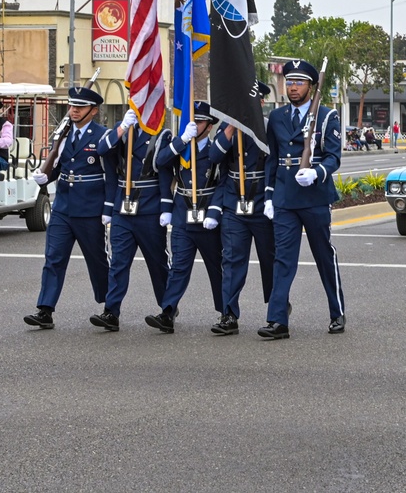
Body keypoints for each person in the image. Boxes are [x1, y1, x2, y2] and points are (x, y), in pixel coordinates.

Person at [258, 59, 345, 340]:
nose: (293, 87)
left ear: (311, 86)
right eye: (289, 82)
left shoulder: (326, 116)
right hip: (285, 197)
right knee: (283, 259)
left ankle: (337, 312)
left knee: (323, 256)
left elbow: (333, 157)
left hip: (314, 196)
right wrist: (269, 196)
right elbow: (272, 159)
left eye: (299, 82)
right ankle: (277, 320)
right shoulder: (278, 118)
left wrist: (316, 172)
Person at [24, 86, 116, 330]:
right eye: (72, 106)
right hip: (63, 207)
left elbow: (111, 175)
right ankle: (45, 309)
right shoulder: (62, 135)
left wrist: (108, 208)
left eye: (80, 107)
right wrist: (47, 176)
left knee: (97, 261)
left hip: (90, 208)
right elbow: (60, 165)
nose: (74, 110)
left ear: (93, 111)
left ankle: (110, 308)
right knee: (53, 259)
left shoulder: (102, 136)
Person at [89, 106, 173, 332]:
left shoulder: (161, 135)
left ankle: (167, 310)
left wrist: (166, 206)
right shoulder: (121, 131)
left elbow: (165, 172)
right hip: (122, 207)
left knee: (157, 264)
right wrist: (123, 128)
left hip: (150, 207)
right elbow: (101, 150)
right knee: (118, 263)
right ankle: (111, 311)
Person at [145, 101, 224, 334]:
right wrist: (181, 141)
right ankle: (167, 312)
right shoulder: (180, 147)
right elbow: (159, 163)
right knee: (179, 267)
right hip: (182, 214)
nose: (194, 124)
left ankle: (227, 313)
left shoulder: (215, 150)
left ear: (209, 127)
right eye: (191, 121)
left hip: (208, 215)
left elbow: (223, 182)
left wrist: (215, 211)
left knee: (217, 268)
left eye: (199, 122)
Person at [207, 82, 275, 336]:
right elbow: (214, 156)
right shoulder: (228, 128)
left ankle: (276, 309)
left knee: (270, 259)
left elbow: (274, 165)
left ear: (261, 103)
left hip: (260, 202)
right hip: (234, 203)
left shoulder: (268, 128)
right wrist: (233, 125)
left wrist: (271, 198)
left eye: (252, 101)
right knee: (233, 260)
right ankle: (229, 313)